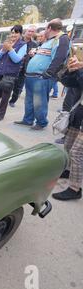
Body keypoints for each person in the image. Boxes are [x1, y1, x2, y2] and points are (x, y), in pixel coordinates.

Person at [14, 19, 70, 130]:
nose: (44, 31)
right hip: (32, 76)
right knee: (29, 99)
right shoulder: (50, 40)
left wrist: (48, 74)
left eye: (45, 28)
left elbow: (59, 58)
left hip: (41, 77)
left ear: (49, 28)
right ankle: (28, 119)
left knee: (39, 101)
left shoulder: (62, 39)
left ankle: (41, 122)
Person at [52, 55, 83, 201]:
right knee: (69, 145)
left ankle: (75, 188)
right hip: (79, 112)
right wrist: (71, 70)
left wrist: (81, 68)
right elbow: (68, 82)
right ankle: (69, 170)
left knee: (77, 152)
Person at [0, 25, 27, 121]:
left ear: (20, 34)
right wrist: (3, 50)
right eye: (12, 32)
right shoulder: (6, 43)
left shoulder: (23, 45)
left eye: (16, 33)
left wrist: (10, 49)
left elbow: (17, 59)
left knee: (5, 96)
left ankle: (0, 115)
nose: (13, 35)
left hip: (10, 75)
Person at [8, 25, 38, 108]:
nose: (30, 33)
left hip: (25, 68)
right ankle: (5, 98)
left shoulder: (34, 44)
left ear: (34, 33)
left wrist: (33, 55)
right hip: (14, 65)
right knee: (9, 83)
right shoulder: (18, 40)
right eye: (29, 31)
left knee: (18, 87)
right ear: (25, 31)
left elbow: (35, 56)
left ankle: (12, 101)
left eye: (32, 31)